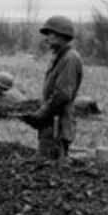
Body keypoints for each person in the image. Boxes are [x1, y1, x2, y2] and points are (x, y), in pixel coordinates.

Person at [22, 15, 83, 160]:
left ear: (62, 35)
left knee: (51, 169)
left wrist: (41, 114)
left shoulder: (69, 59)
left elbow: (62, 94)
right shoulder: (61, 57)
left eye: (50, 34)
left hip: (58, 124)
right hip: (51, 123)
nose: (46, 38)